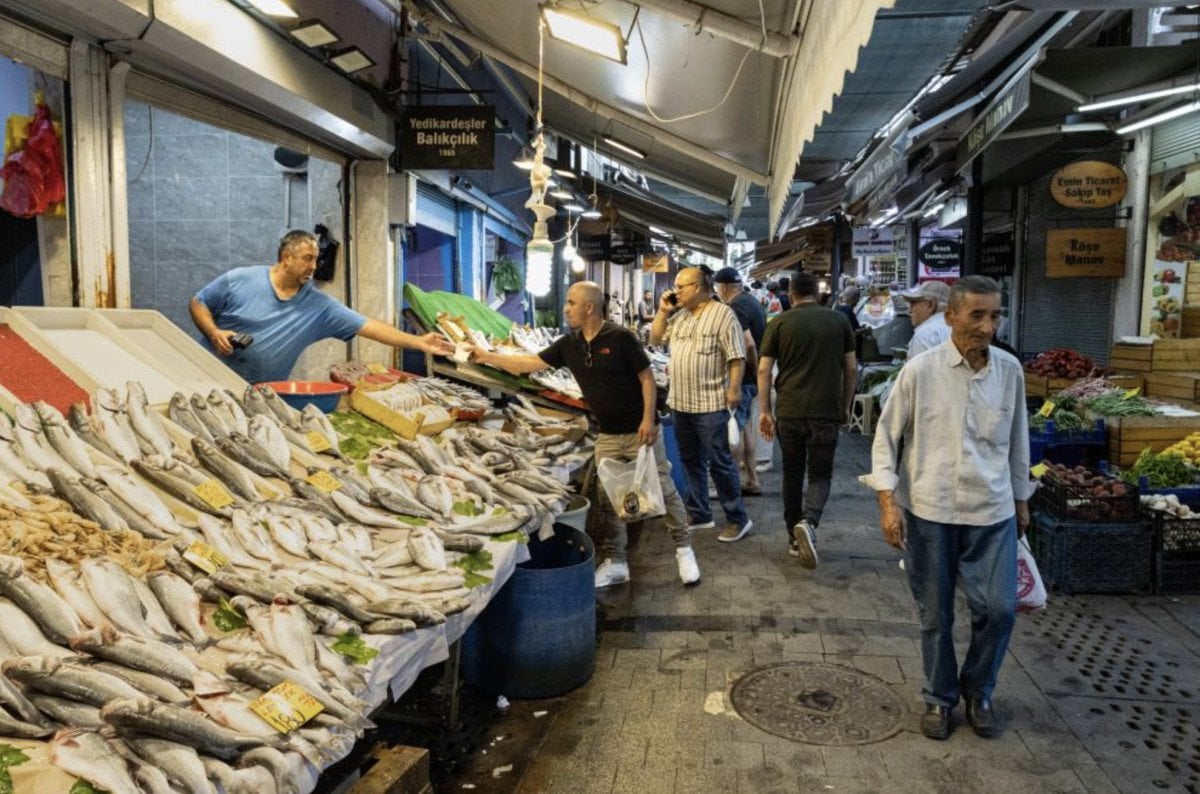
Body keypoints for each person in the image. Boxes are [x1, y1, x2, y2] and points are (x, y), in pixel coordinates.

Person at [869, 275, 1033, 741]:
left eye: (995, 315)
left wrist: (1021, 499)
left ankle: (979, 689)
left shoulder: (1009, 371)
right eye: (977, 315)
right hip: (930, 509)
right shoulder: (920, 371)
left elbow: (1018, 438)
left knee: (1000, 609)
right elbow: (886, 437)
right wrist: (887, 501)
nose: (987, 325)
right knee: (936, 614)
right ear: (951, 317)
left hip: (992, 511)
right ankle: (939, 697)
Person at [471, 281, 699, 588]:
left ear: (588, 307)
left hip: (639, 431)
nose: (565, 308)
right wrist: (485, 356)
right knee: (608, 500)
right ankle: (617, 561)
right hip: (607, 434)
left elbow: (646, 379)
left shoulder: (620, 338)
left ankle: (684, 551)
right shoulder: (569, 344)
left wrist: (649, 419)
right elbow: (528, 363)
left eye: (570, 303)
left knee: (663, 488)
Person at [190, 229, 452, 383]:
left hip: (257, 394)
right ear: (286, 257)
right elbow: (199, 303)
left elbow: (367, 325)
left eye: (316, 259)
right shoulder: (241, 279)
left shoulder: (319, 306)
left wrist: (418, 342)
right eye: (307, 259)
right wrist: (214, 333)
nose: (314, 267)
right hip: (202, 375)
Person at [758, 273, 855, 569]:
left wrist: (765, 410)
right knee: (820, 475)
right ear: (817, 292)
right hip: (826, 411)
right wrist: (846, 405)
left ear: (791, 293)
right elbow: (851, 368)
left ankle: (792, 535)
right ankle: (809, 523)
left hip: (789, 410)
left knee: (792, 473)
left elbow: (764, 370)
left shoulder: (781, 323)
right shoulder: (839, 321)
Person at [651, 267, 753, 542]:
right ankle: (700, 512)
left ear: (697, 287)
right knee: (690, 460)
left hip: (711, 403)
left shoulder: (723, 314)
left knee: (720, 462)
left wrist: (734, 389)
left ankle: (738, 518)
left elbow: (736, 356)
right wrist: (662, 311)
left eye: (681, 286)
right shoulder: (680, 316)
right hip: (681, 402)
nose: (675, 292)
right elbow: (655, 339)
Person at [713, 267, 766, 496]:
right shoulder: (751, 301)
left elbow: (749, 344)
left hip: (743, 378)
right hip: (751, 379)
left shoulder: (736, 307)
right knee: (745, 428)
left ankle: (731, 485)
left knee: (734, 431)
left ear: (724, 287)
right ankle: (752, 480)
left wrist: (754, 372)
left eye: (717, 288)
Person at [902, 281, 952, 359]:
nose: (910, 311)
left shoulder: (924, 336)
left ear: (930, 305)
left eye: (913, 304)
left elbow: (919, 371)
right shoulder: (958, 328)